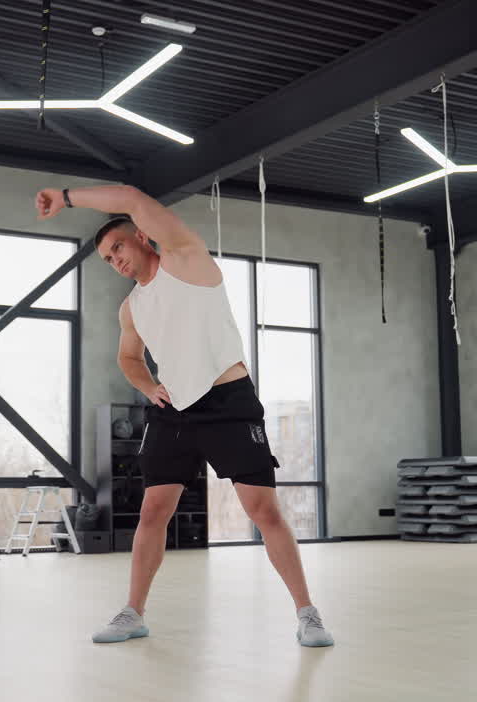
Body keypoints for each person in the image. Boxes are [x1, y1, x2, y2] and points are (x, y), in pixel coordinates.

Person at [35, 184, 333, 648]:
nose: (117, 262)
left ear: (141, 236)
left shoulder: (186, 260)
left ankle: (308, 614)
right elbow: (129, 359)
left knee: (264, 511)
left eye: (118, 248)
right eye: (109, 261)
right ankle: (132, 613)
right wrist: (148, 387)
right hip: (174, 412)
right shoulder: (131, 308)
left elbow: (134, 198)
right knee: (153, 511)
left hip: (228, 401)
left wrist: (68, 197)